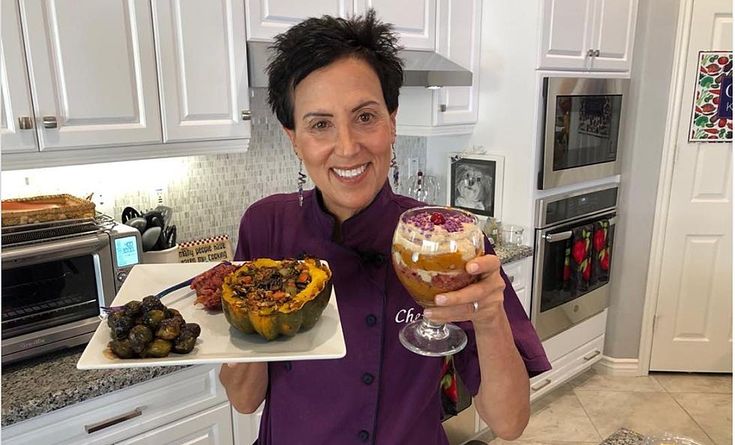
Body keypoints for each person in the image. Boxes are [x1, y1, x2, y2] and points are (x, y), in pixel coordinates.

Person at [219, 10, 550, 444]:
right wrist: (258, 310)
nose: (348, 147)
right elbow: (244, 400)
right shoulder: (267, 226)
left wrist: (489, 320)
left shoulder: (443, 243)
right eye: (320, 125)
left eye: (365, 117)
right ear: (294, 139)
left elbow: (509, 422)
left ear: (392, 121)